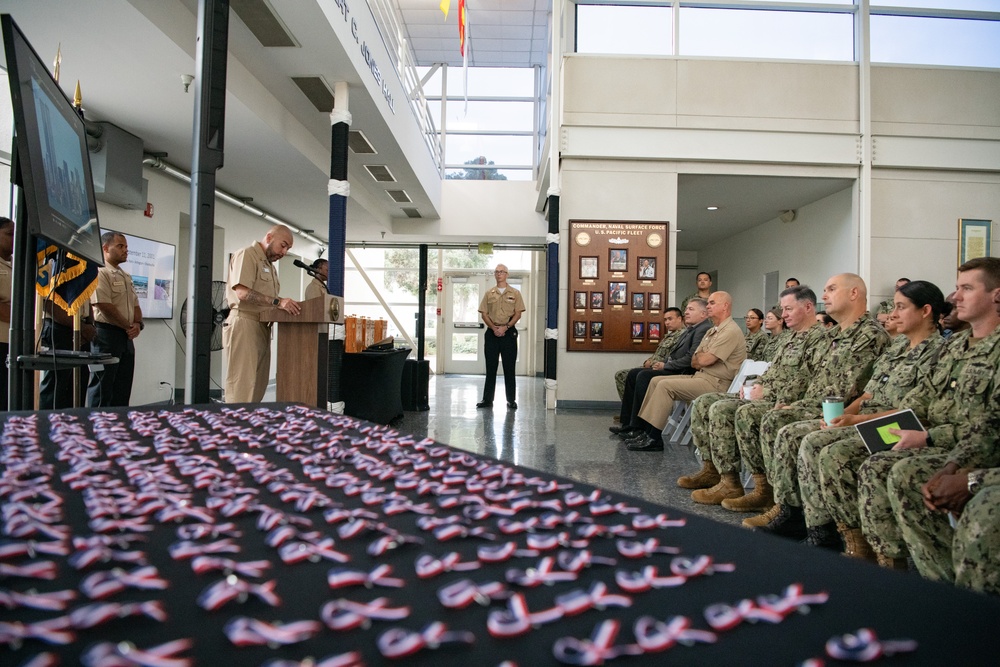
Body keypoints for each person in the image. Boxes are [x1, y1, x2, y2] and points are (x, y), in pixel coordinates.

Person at [856, 257, 1000, 569]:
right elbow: (918, 402)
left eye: (966, 288)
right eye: (957, 287)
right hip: (927, 435)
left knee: (896, 471)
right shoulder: (954, 346)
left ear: (996, 295)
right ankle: (893, 563)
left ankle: (941, 577)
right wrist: (861, 421)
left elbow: (989, 428)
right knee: (868, 452)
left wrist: (936, 444)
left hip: (963, 446)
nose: (956, 296)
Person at [781, 280, 946, 552]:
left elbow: (914, 413)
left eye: (901, 307)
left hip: (897, 427)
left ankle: (856, 542)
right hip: (867, 418)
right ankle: (825, 529)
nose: (892, 314)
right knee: (818, 436)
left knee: (833, 451)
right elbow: (867, 395)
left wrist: (854, 421)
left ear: (925, 311)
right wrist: (842, 415)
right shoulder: (897, 348)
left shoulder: (938, 352)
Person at [743, 273, 890, 537]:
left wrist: (810, 409)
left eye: (831, 289)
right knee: (773, 417)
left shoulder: (870, 335)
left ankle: (798, 515)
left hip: (838, 409)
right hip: (815, 404)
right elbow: (807, 375)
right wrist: (788, 401)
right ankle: (784, 504)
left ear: (854, 293)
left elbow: (853, 390)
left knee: (783, 428)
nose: (824, 296)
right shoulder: (832, 335)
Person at [683, 285, 825, 507]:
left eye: (788, 309)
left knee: (734, 411)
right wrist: (752, 384)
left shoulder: (819, 339)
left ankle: (763, 490)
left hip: (788, 401)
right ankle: (719, 475)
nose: (784, 314)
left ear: (808, 307)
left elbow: (807, 380)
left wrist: (766, 392)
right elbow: (771, 371)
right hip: (764, 394)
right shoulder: (790, 338)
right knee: (705, 402)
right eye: (783, 309)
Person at [625, 292, 746, 452]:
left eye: (712, 303)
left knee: (665, 386)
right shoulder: (713, 331)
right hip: (701, 376)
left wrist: (701, 358)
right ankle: (646, 431)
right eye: (708, 303)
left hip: (717, 383)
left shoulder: (730, 330)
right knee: (655, 381)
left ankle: (654, 438)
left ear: (725, 306)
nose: (708, 306)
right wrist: (701, 358)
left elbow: (703, 360)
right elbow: (695, 360)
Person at [223, 225, 301, 403]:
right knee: (242, 386)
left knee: (258, 385)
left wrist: (284, 305)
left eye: (288, 248)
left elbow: (269, 298)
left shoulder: (270, 267)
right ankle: (234, 428)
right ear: (269, 237)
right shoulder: (247, 255)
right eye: (283, 245)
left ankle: (249, 426)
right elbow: (242, 293)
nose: (284, 252)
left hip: (263, 326)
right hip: (245, 323)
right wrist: (277, 302)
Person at [612, 301, 710, 436]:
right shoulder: (691, 329)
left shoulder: (702, 329)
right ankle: (628, 423)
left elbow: (690, 358)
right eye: (686, 309)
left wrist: (666, 365)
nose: (686, 312)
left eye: (691, 309)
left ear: (703, 314)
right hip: (673, 367)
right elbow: (673, 354)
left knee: (643, 376)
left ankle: (638, 426)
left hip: (682, 371)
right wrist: (661, 363)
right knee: (634, 374)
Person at [87, 232, 143, 408]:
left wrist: (138, 325)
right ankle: (97, 428)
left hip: (125, 338)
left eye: (126, 246)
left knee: (122, 389)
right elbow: (103, 305)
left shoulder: (125, 276)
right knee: (102, 389)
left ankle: (119, 428)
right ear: (105, 248)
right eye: (120, 246)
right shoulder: (99, 272)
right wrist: (129, 326)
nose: (126, 250)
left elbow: (135, 305)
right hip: (105, 337)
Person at [477, 264, 526, 410]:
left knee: (509, 368)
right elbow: (484, 313)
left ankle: (511, 400)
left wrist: (506, 327)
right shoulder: (489, 293)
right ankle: (487, 400)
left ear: (507, 274)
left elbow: (518, 313)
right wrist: (493, 327)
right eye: (497, 272)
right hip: (492, 333)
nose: (499, 274)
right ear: (494, 275)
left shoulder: (515, 293)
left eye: (502, 272)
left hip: (509, 333)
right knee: (490, 368)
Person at [614, 306, 686, 399]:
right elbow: (658, 354)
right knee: (624, 374)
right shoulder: (669, 335)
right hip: (652, 366)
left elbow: (670, 357)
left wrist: (652, 363)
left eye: (670, 319)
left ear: (679, 319)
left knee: (625, 375)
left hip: (662, 369)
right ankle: (630, 409)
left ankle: (636, 409)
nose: (667, 322)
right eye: (665, 320)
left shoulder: (682, 336)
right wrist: (647, 361)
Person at [40, 300, 97, 408]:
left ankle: (73, 423)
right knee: (56, 387)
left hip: (82, 327)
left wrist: (89, 326)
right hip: (59, 327)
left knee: (78, 387)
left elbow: (86, 298)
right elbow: (47, 302)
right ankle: (49, 423)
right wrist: (81, 327)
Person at [0, 218, 12, 409]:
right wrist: (21, 315)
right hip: (0, 341)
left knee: (8, 400)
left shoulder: (15, 265)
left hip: (14, 342)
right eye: (9, 234)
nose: (14, 238)